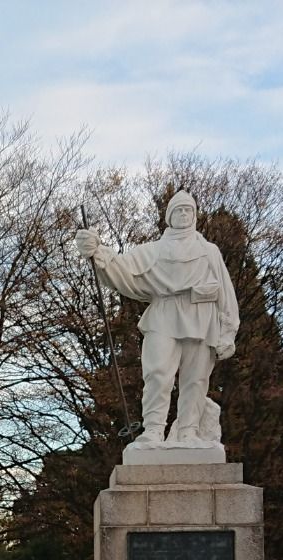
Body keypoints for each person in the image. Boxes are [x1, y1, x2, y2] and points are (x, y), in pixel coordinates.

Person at [76, 189, 241, 451]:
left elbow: (225, 293)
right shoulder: (153, 251)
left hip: (202, 317)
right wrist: (96, 251)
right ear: (169, 217)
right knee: (157, 374)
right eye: (179, 210)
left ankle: (188, 431)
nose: (185, 214)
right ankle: (153, 430)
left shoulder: (210, 252)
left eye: (189, 210)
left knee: (196, 379)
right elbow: (121, 268)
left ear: (196, 216)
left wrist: (228, 332)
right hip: (163, 315)